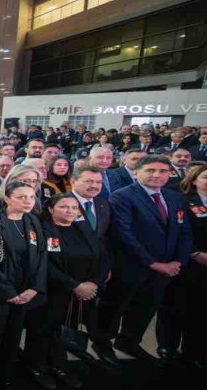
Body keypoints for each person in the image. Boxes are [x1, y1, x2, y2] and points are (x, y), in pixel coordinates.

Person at [105, 155, 192, 365]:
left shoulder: (174, 197)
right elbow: (124, 234)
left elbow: (185, 232)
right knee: (115, 309)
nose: (157, 175)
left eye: (163, 171)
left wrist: (177, 262)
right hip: (131, 266)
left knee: (145, 309)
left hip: (165, 269)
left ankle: (129, 342)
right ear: (136, 173)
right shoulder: (122, 196)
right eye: (151, 170)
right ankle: (103, 345)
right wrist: (154, 263)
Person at [25, 194, 109, 389]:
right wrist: (74, 286)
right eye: (64, 207)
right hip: (52, 293)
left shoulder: (84, 229)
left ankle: (60, 366)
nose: (70, 211)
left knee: (63, 332)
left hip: (81, 294)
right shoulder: (43, 231)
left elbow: (103, 258)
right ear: (51, 210)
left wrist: (94, 283)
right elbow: (44, 264)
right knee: (42, 331)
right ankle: (37, 366)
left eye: (74, 208)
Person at [0, 181, 46, 390]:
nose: (28, 201)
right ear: (7, 199)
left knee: (12, 338)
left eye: (31, 197)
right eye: (21, 197)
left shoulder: (32, 220)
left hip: (24, 291)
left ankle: (5, 374)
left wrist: (34, 288)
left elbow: (41, 256)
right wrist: (8, 292)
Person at [175, 165, 207, 371]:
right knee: (194, 311)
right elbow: (179, 232)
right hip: (195, 263)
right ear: (194, 180)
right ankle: (191, 353)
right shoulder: (184, 201)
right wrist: (196, 253)